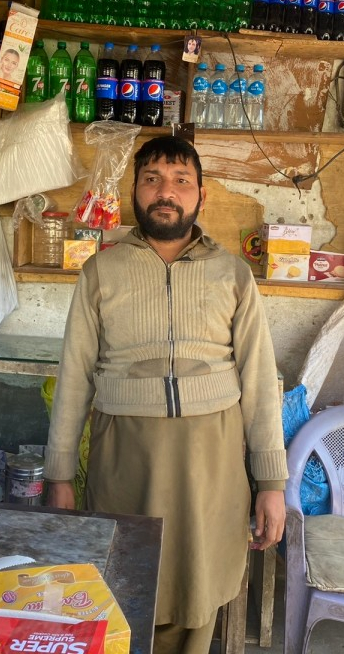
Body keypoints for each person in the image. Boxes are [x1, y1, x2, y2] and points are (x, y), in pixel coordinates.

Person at [45, 136, 287, 654]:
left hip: (213, 462)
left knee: (198, 598)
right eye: (152, 179)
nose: (166, 192)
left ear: (201, 196)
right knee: (122, 592)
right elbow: (74, 376)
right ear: (134, 192)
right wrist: (58, 473)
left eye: (181, 181)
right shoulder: (100, 271)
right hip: (126, 457)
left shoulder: (233, 274)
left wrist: (271, 482)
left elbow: (261, 381)